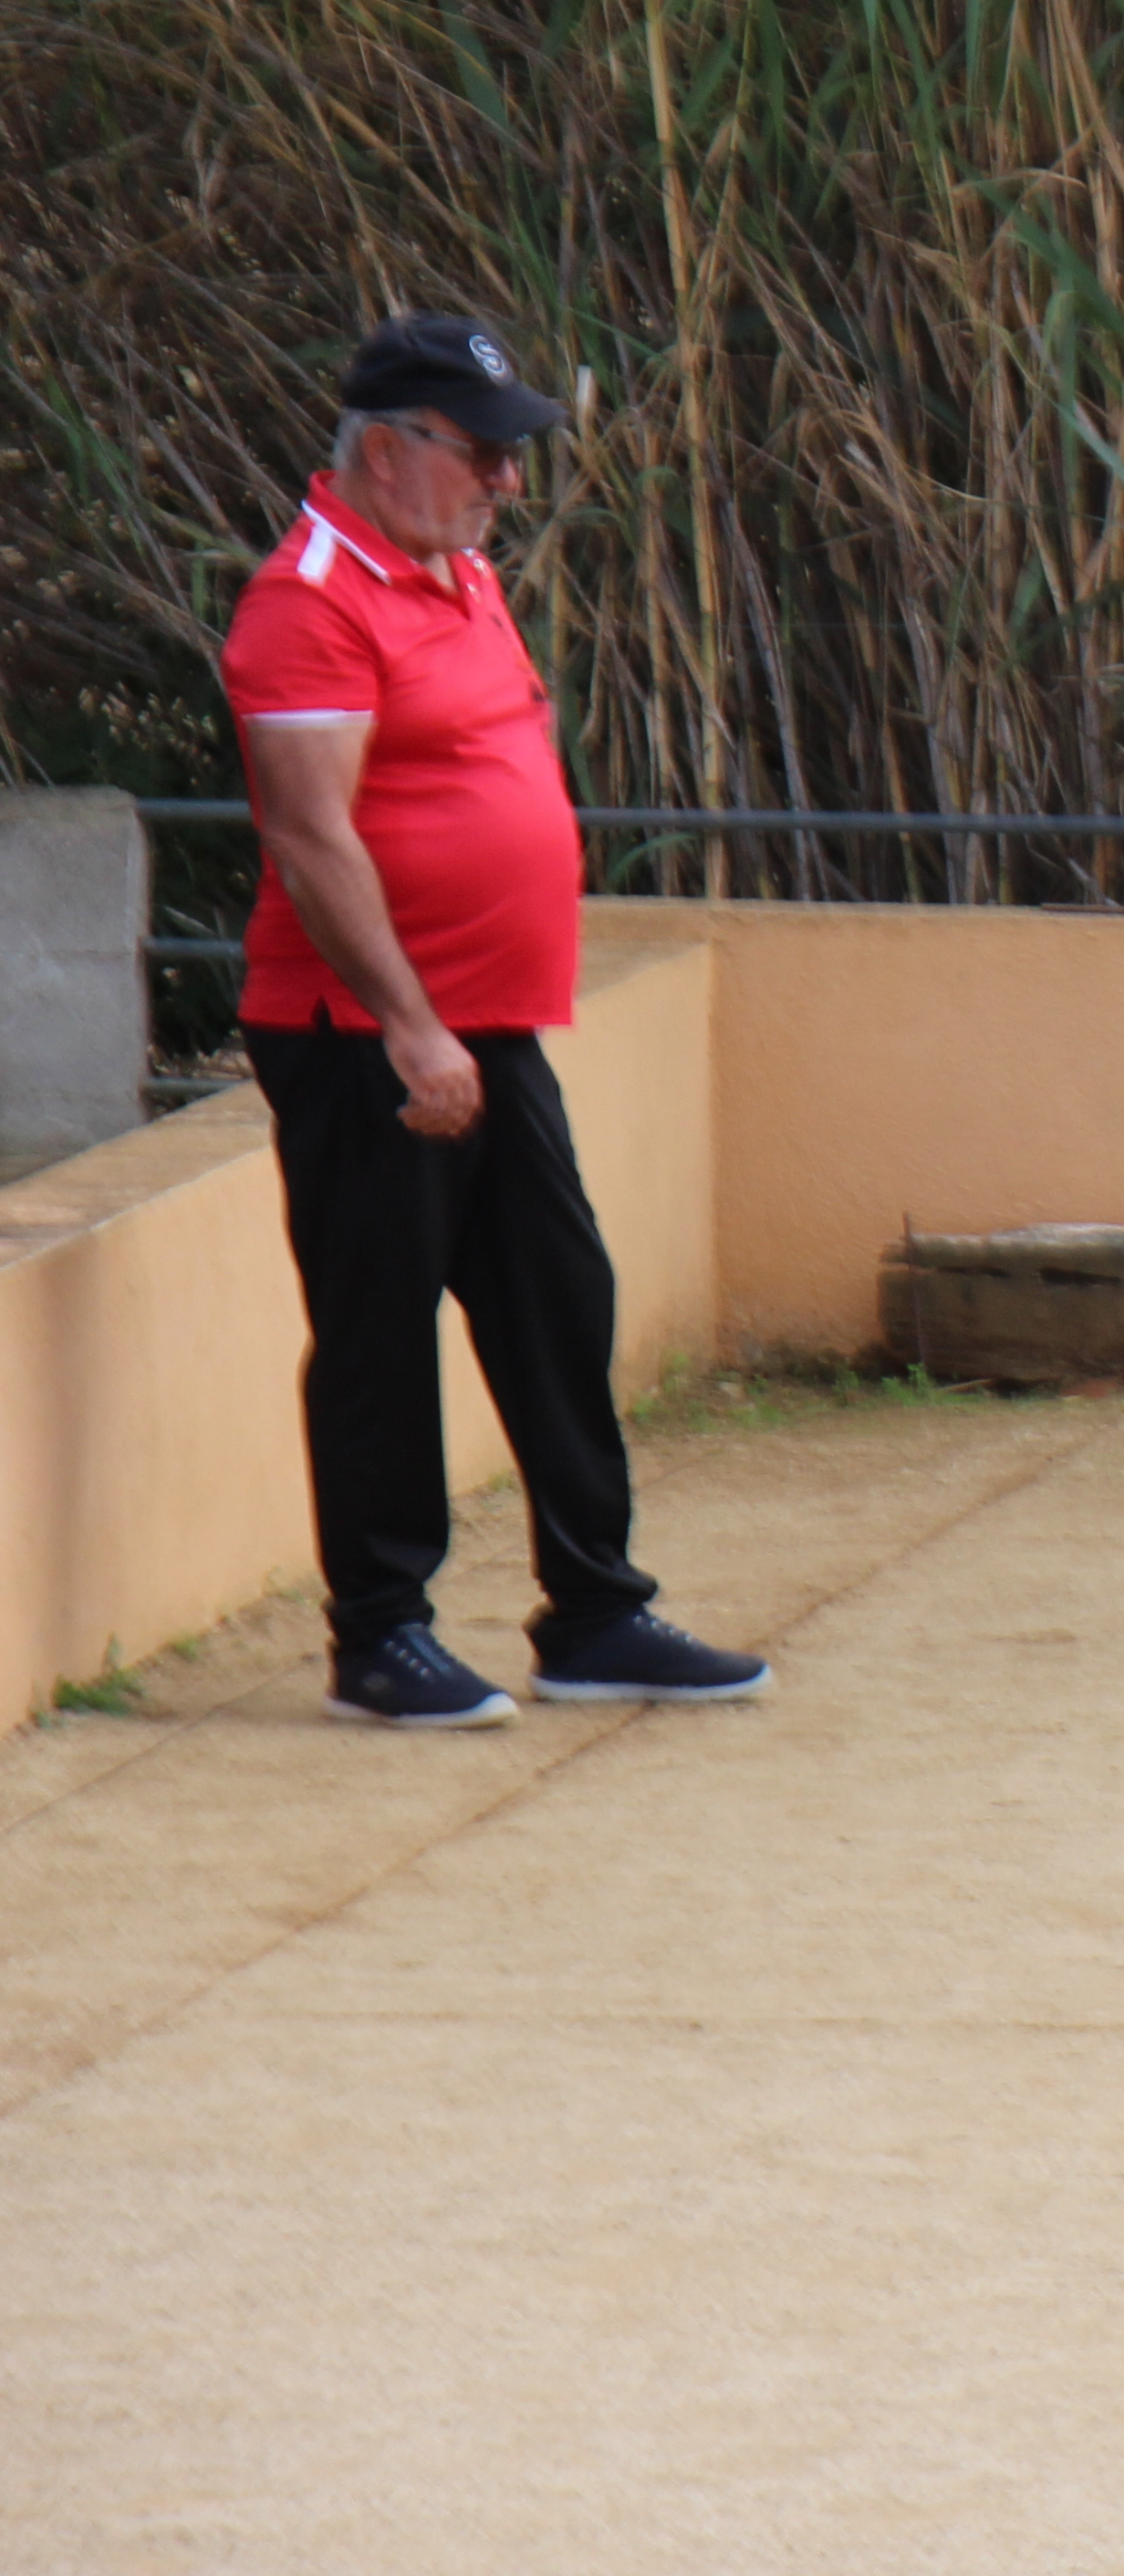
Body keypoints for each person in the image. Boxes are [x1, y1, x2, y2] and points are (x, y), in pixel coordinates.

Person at [222, 315, 770, 1728]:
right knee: (380, 1325)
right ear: (389, 449)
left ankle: (594, 1611)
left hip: (490, 1023)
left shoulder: (454, 578)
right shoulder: (311, 602)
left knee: (558, 1302)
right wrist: (407, 1025)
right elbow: (311, 834)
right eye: (483, 452)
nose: (508, 483)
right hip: (366, 1035)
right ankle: (380, 1633)